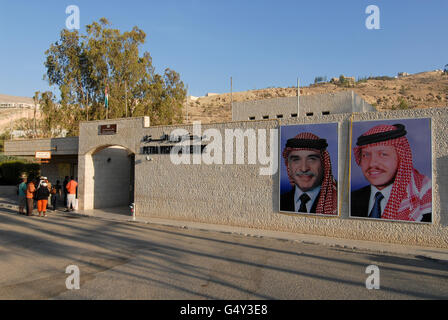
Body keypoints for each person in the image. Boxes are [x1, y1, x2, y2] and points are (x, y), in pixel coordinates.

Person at [351, 123, 432, 222]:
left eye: (383, 154)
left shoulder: (424, 200)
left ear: (401, 158)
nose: (372, 163)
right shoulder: (352, 199)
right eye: (365, 155)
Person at [280, 132, 337, 215]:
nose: (304, 168)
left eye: (312, 159)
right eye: (296, 160)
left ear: (324, 163)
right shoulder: (280, 201)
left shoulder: (340, 202)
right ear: (288, 165)